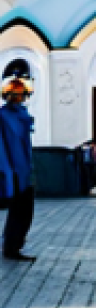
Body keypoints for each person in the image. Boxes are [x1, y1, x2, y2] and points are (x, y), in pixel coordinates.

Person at [0, 76, 36, 262]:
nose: (18, 98)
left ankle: (15, 244)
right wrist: (6, 171)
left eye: (21, 94)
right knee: (18, 211)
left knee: (25, 210)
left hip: (24, 170)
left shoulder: (23, 115)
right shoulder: (3, 116)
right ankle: (11, 247)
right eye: (15, 94)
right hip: (12, 171)